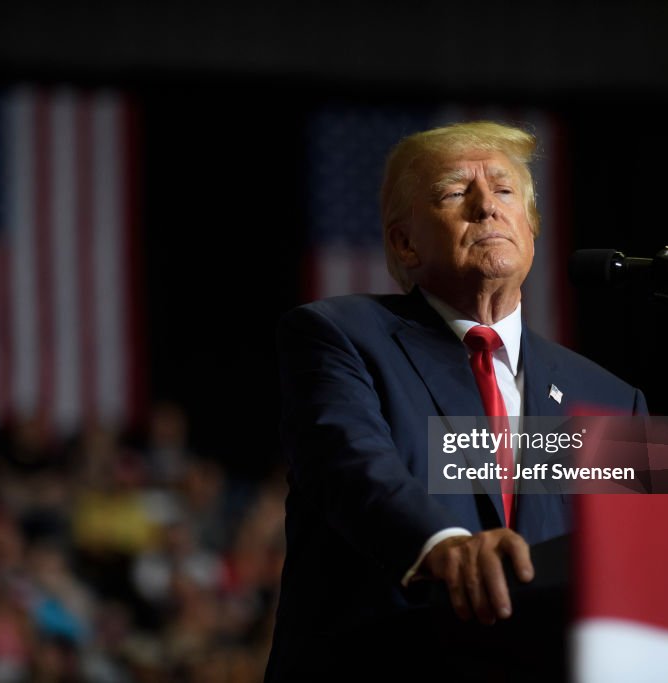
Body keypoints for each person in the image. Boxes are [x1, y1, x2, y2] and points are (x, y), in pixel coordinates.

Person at [265, 121, 648, 682]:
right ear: (404, 242)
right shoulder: (339, 335)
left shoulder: (612, 398)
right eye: (454, 192)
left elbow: (628, 567)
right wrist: (444, 544)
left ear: (532, 225)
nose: (486, 207)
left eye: (504, 190)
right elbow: (350, 467)